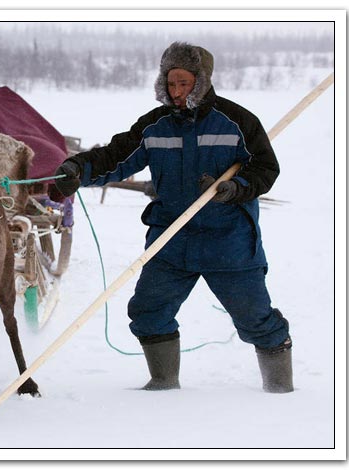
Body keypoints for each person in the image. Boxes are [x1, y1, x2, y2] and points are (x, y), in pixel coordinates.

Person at [54, 41, 293, 393]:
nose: (177, 91)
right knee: (148, 311)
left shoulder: (237, 122)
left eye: (184, 83)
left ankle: (280, 391)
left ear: (201, 80)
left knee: (255, 318)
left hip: (228, 241)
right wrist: (78, 169)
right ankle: (163, 386)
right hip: (171, 239)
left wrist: (235, 188)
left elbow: (265, 168)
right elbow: (117, 156)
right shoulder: (156, 126)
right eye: (171, 83)